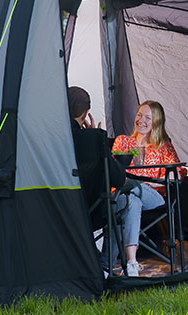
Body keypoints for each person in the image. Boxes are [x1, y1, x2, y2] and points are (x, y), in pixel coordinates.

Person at [111, 100, 186, 277]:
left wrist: (155, 181)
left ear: (156, 122)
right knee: (131, 201)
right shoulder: (123, 142)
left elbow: (179, 172)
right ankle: (131, 263)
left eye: (147, 117)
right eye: (139, 115)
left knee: (134, 188)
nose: (141, 120)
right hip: (125, 195)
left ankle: (109, 261)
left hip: (153, 195)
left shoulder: (162, 146)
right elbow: (113, 169)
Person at [66, 87, 130, 277]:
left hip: (59, 206)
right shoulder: (94, 139)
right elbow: (118, 179)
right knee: (123, 202)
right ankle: (105, 266)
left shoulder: (52, 136)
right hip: (92, 210)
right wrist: (95, 137)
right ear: (86, 113)